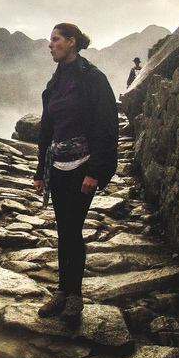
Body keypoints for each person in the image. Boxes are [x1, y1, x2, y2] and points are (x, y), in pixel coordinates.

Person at [32, 23, 118, 320]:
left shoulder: (93, 79)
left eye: (55, 39)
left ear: (71, 42)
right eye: (50, 40)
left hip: (83, 168)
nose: (50, 45)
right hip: (57, 168)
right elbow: (47, 129)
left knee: (72, 228)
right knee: (64, 229)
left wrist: (95, 171)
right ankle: (62, 291)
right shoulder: (55, 83)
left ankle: (74, 296)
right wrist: (40, 171)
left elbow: (107, 127)